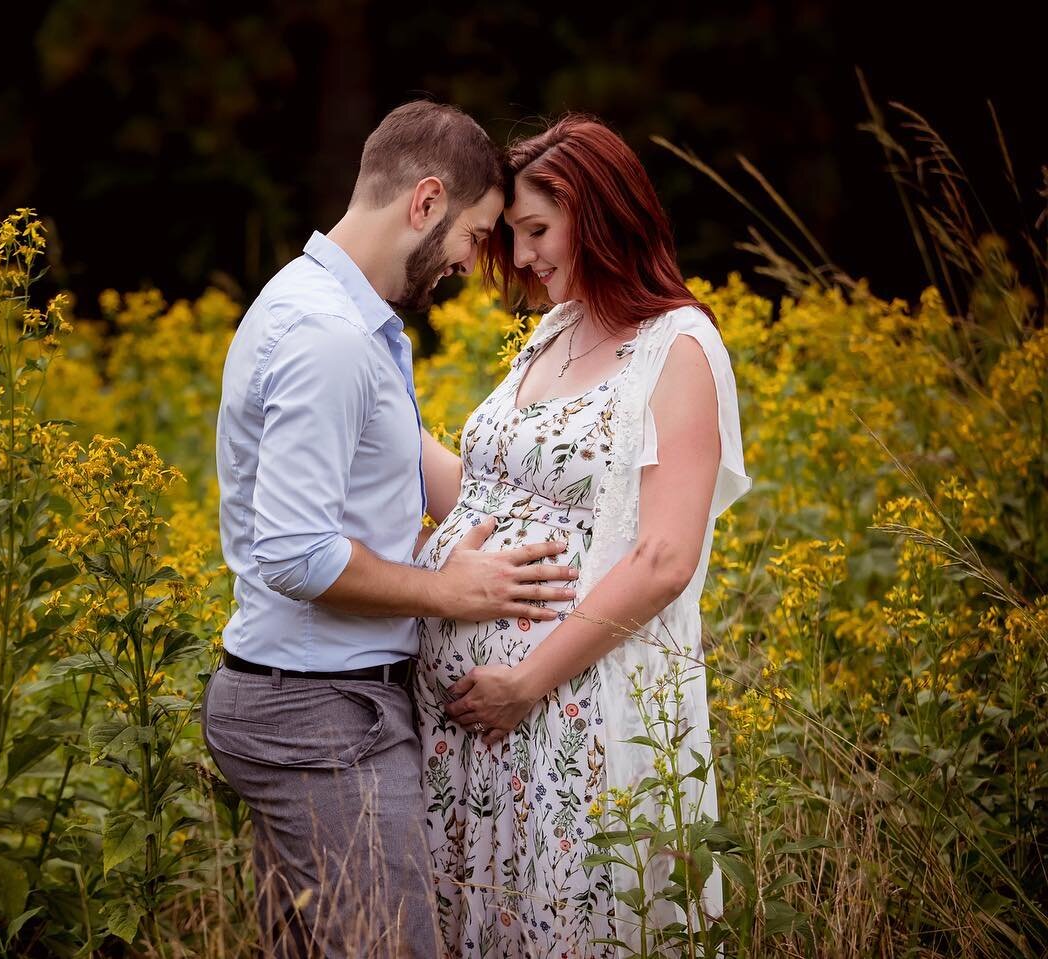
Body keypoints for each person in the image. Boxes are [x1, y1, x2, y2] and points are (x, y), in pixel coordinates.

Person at [204, 100, 581, 958]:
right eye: (473, 234)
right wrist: (449, 590)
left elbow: (419, 482)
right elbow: (297, 551)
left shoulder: (343, 321)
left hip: (314, 702)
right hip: (318, 716)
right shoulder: (328, 337)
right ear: (424, 201)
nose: (470, 262)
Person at [413, 113, 752, 957]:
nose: (521, 257)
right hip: (478, 728)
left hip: (569, 710)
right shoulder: (556, 331)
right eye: (515, 235)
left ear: (598, 213)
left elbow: (665, 558)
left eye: (536, 230)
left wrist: (525, 680)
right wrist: (380, 411)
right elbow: (488, 493)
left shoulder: (679, 346)